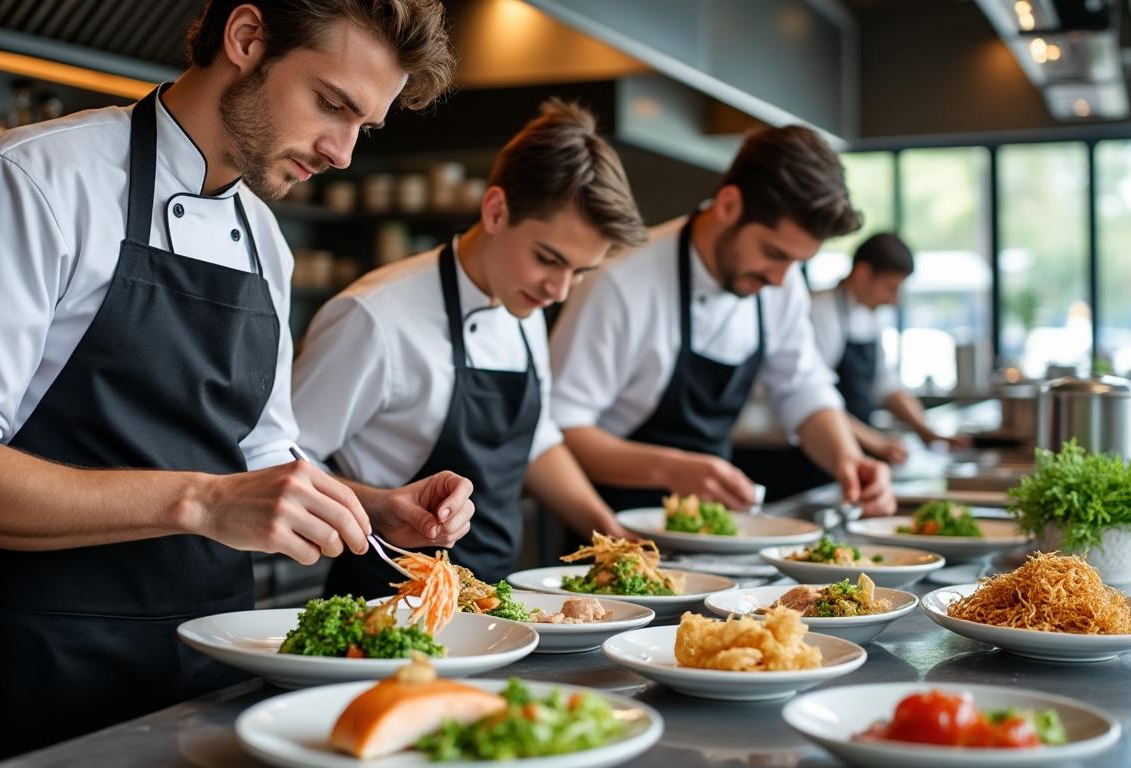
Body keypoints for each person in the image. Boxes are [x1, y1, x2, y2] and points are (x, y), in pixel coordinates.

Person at [0, 2, 462, 763]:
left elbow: (259, 454)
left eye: (363, 127)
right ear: (246, 38)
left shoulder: (265, 241)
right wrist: (202, 502)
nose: (343, 153)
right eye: (331, 103)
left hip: (219, 669)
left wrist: (372, 509)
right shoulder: (30, 182)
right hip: (52, 677)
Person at [290, 99, 648, 596]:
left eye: (581, 272)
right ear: (496, 210)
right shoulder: (375, 317)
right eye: (548, 259)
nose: (560, 290)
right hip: (383, 605)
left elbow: (537, 440)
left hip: (493, 603)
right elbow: (285, 459)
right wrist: (376, 503)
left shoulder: (523, 304)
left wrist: (610, 531)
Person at [549, 125, 895, 516]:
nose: (779, 279)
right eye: (774, 253)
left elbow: (801, 388)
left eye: (796, 263)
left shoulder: (781, 284)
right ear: (729, 205)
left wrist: (848, 458)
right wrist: (672, 470)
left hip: (714, 525)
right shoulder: (620, 281)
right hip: (610, 522)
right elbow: (561, 426)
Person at [809, 232, 970, 464]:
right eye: (890, 287)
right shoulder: (820, 312)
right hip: (816, 451)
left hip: (852, 449)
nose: (894, 300)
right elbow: (814, 396)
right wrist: (876, 442)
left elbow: (886, 384)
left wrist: (926, 431)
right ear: (863, 274)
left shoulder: (869, 315)